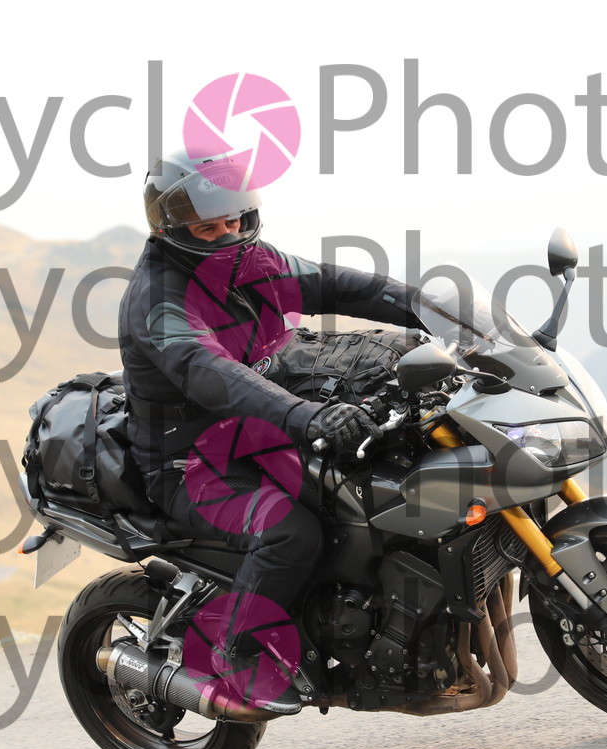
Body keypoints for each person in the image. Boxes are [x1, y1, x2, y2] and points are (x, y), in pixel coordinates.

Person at [118, 149, 425, 715]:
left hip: (259, 433)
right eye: (209, 229)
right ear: (171, 231)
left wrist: (435, 309)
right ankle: (238, 653)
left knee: (376, 482)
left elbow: (335, 285)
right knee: (292, 533)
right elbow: (211, 372)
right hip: (193, 464)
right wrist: (304, 416)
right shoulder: (158, 301)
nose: (228, 235)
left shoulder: (248, 260)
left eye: (234, 220)